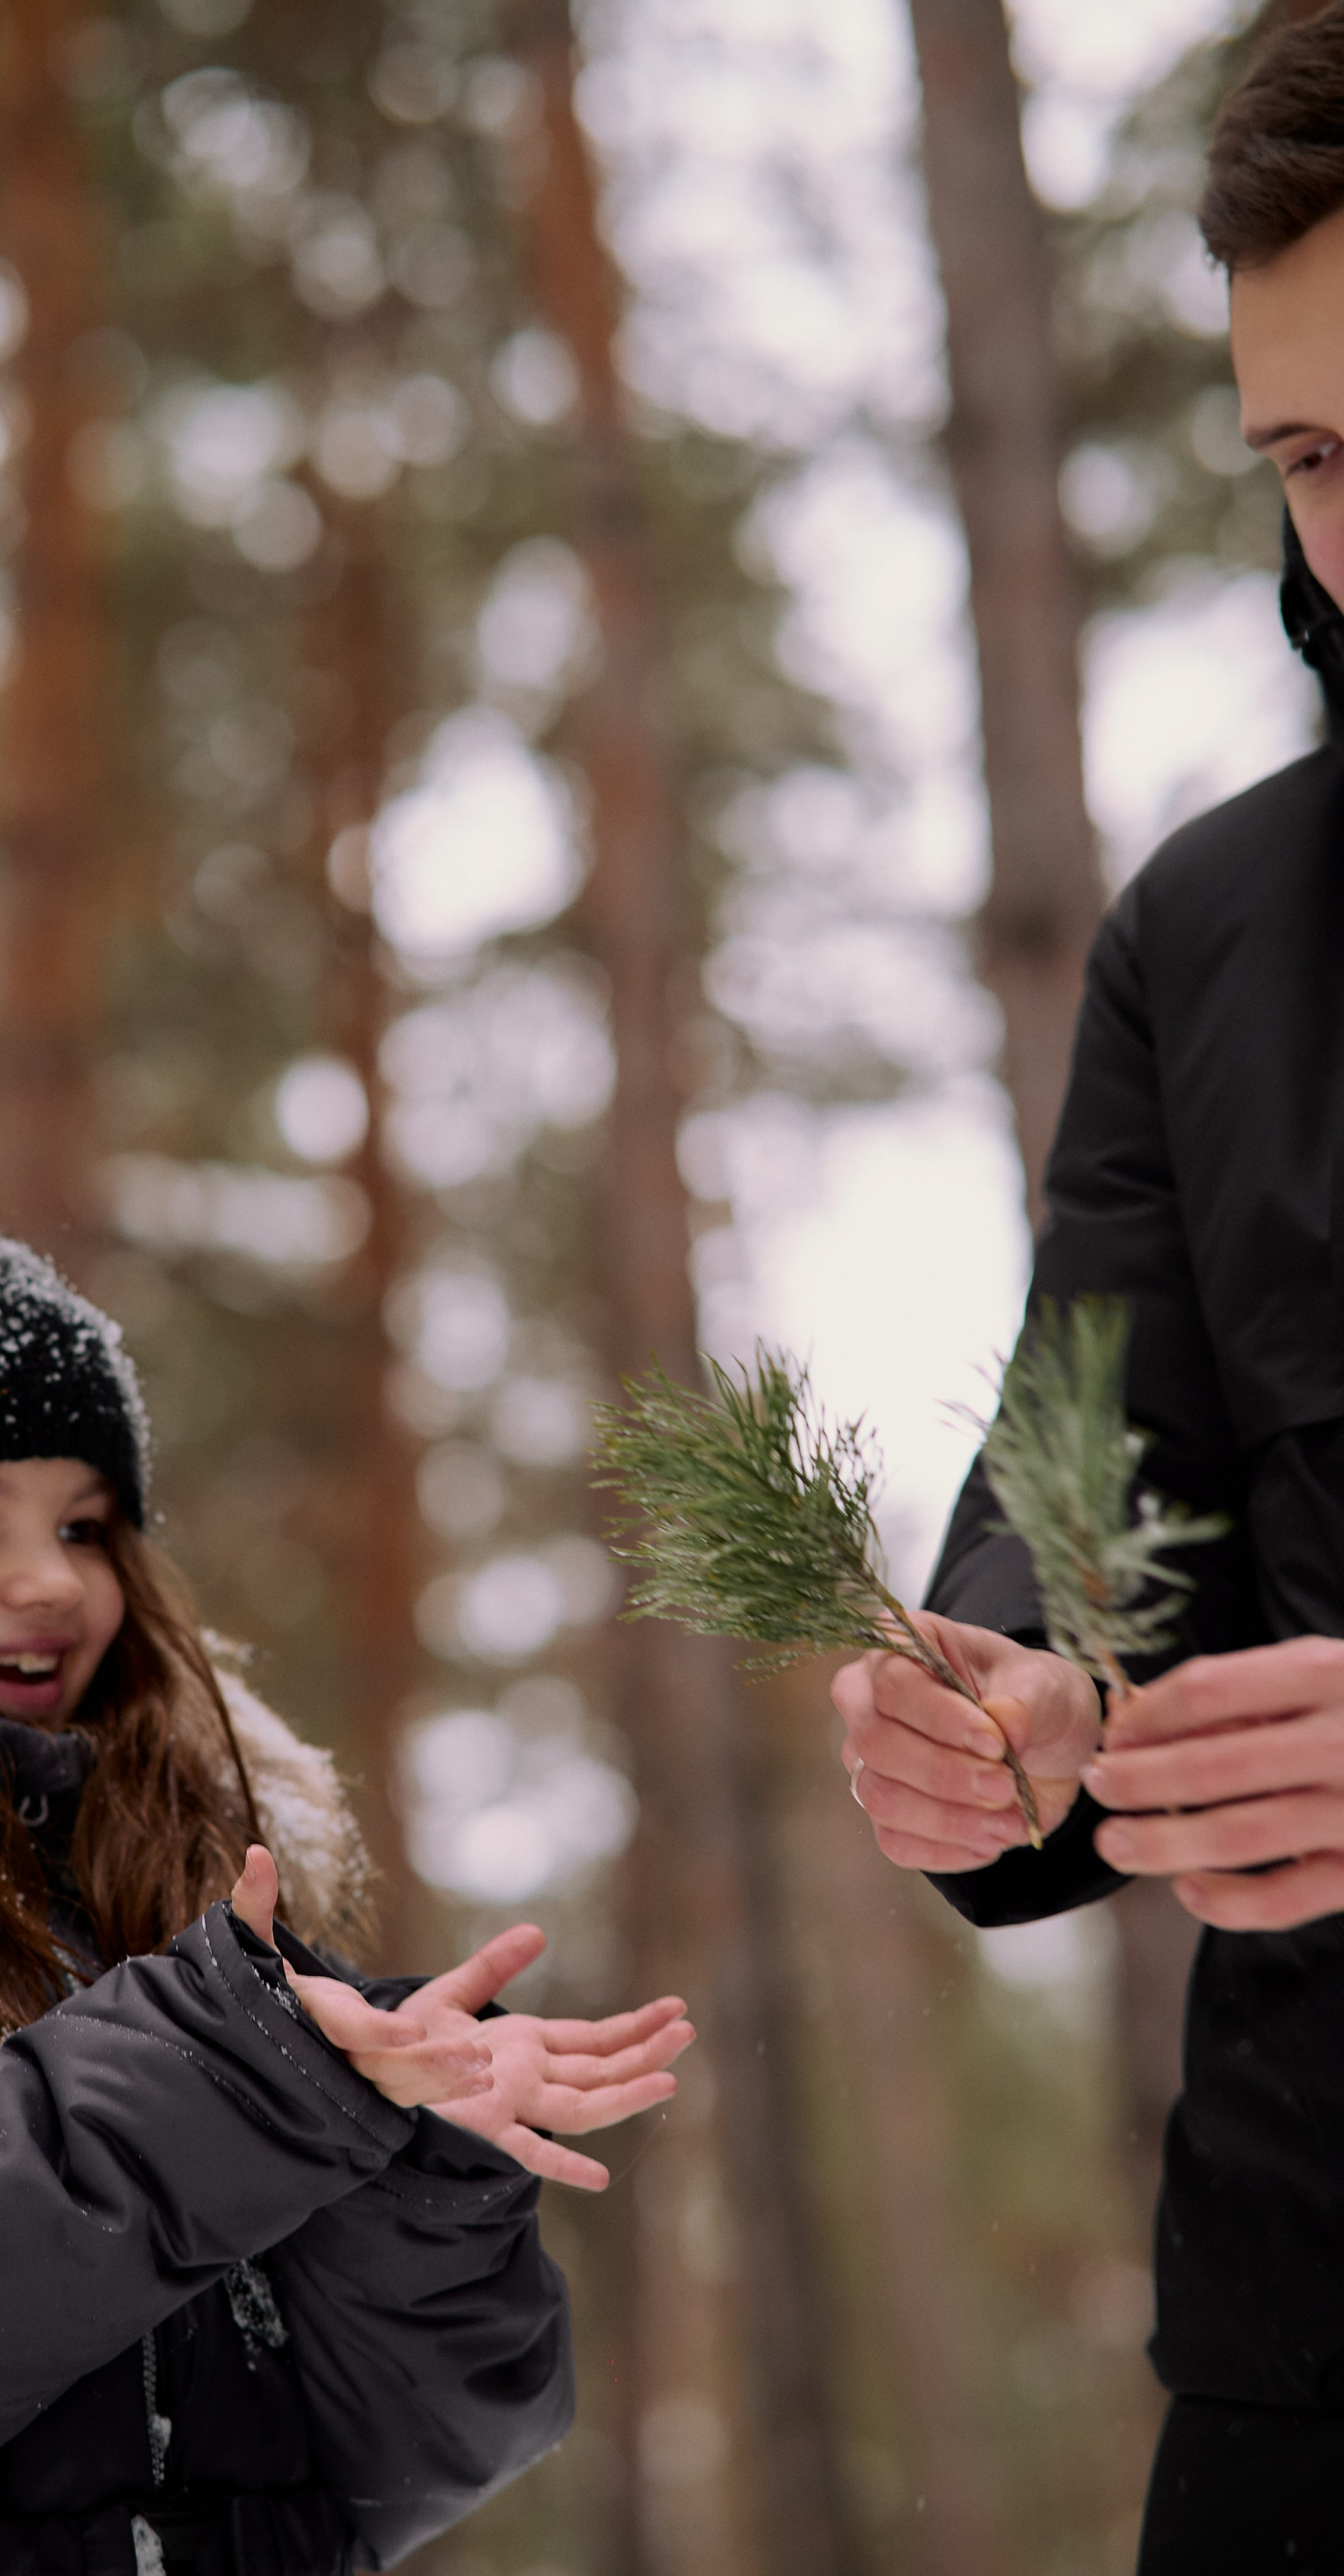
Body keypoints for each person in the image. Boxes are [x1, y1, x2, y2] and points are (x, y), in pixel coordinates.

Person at [0, 1203, 693, 2576]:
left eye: (87, 1523)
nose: (52, 1580)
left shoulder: (165, 1876)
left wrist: (408, 2160)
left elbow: (406, 2465)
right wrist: (231, 2083)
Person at [831, 10, 1344, 2571]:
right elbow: (1093, 1467)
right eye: (1318, 459)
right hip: (1315, 2335)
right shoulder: (1218, 933)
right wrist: (1011, 1695)